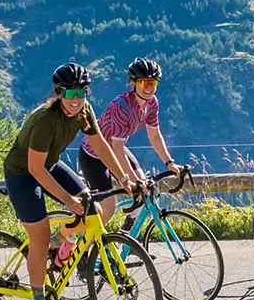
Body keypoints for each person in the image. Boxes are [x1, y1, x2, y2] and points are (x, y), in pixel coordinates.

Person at [4, 62, 139, 300]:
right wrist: (67, 200)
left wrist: (124, 179)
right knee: (39, 237)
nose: (76, 101)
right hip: (23, 173)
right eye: (70, 94)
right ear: (59, 93)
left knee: (95, 211)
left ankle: (60, 239)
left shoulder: (84, 111)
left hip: (50, 165)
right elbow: (34, 169)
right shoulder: (45, 119)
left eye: (82, 93)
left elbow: (100, 145)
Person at [77, 57, 189, 227]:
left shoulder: (152, 103)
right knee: (107, 210)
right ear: (133, 83)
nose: (149, 88)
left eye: (153, 83)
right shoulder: (122, 106)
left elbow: (155, 135)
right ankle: (86, 251)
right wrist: (131, 181)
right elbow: (117, 150)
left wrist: (169, 162)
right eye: (144, 83)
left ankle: (125, 242)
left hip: (116, 149)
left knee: (146, 192)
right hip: (94, 154)